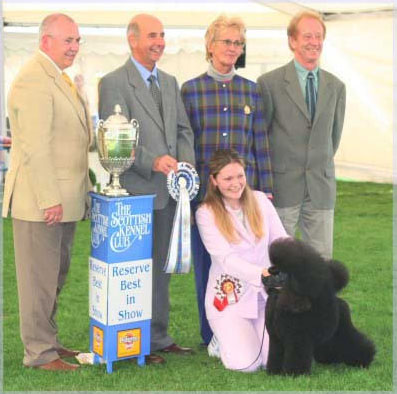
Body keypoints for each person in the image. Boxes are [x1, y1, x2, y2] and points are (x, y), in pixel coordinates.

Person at [98, 14, 195, 365]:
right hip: (136, 194)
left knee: (163, 270)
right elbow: (115, 137)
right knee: (137, 272)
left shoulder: (169, 81)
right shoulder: (113, 82)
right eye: (153, 35)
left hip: (171, 193)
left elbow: (184, 130)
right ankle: (137, 341)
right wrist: (153, 161)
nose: (160, 42)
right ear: (132, 39)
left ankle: (158, 336)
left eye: (163, 35)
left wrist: (185, 166)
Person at [2, 13, 92, 371]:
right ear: (45, 41)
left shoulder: (58, 78)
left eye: (77, 40)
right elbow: (36, 147)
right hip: (42, 203)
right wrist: (48, 198)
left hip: (62, 199)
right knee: (38, 279)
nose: (74, 47)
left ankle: (49, 341)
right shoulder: (34, 80)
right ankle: (38, 353)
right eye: (67, 40)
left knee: (54, 275)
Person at [181, 15, 273, 346]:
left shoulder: (252, 91)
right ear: (210, 45)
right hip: (206, 199)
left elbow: (260, 142)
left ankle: (249, 326)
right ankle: (214, 335)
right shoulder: (190, 90)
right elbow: (185, 145)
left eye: (238, 43)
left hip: (243, 195)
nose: (233, 48)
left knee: (248, 261)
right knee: (209, 266)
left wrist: (266, 190)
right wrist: (188, 198)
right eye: (227, 42)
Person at [257, 11, 346, 259]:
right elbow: (261, 137)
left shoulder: (337, 86)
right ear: (292, 41)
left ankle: (315, 301)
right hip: (283, 187)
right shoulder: (269, 83)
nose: (314, 42)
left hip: (320, 186)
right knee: (279, 261)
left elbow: (333, 137)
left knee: (321, 264)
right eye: (307, 36)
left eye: (319, 36)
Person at [195, 149, 287, 372]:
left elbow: (282, 239)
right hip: (230, 299)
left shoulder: (260, 200)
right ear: (214, 181)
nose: (235, 183)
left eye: (240, 176)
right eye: (227, 178)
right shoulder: (205, 212)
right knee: (246, 364)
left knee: (272, 360)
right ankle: (220, 341)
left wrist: (297, 263)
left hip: (265, 298)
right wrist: (263, 274)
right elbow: (226, 259)